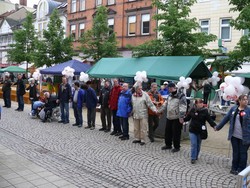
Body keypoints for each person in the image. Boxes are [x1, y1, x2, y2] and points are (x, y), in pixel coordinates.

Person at [215, 94, 250, 175]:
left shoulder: (249, 111)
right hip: (234, 136)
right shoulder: (234, 109)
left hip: (245, 137)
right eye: (244, 99)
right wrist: (218, 127)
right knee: (235, 152)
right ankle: (234, 168)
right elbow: (226, 118)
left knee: (243, 153)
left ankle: (241, 170)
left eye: (247, 99)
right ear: (239, 101)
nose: (246, 101)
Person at [183, 98, 216, 164]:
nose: (201, 104)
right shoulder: (192, 110)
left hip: (201, 131)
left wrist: (214, 126)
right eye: (199, 103)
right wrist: (183, 119)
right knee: (194, 144)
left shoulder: (205, 111)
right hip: (192, 129)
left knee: (198, 144)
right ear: (196, 104)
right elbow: (188, 117)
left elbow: (209, 120)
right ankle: (193, 158)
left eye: (202, 103)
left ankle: (196, 155)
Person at [159, 82, 187, 152]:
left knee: (176, 133)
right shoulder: (169, 95)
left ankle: (177, 147)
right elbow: (165, 104)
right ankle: (168, 145)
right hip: (169, 117)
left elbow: (183, 107)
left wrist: (181, 117)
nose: (169, 89)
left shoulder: (181, 96)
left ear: (174, 88)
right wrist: (158, 111)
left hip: (177, 118)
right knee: (167, 132)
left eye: (170, 88)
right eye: (168, 88)